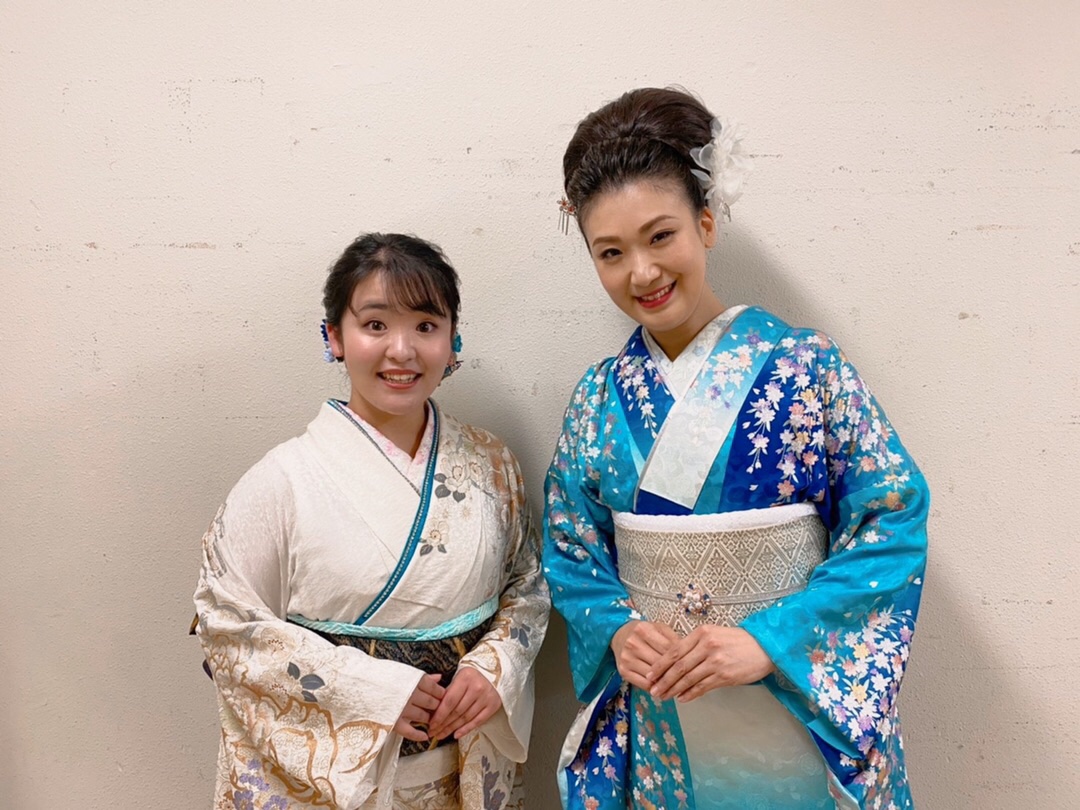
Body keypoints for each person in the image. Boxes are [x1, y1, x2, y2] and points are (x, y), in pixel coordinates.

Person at [543, 88, 929, 809]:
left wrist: (773, 642)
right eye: (612, 253)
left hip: (792, 704)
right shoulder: (597, 398)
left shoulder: (807, 368)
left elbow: (891, 518)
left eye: (661, 236)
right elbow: (571, 548)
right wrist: (618, 632)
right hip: (661, 711)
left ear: (707, 221)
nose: (642, 273)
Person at [192, 233, 549, 810]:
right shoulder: (280, 482)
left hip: (464, 766)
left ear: (453, 341)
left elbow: (526, 583)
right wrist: (371, 693)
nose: (401, 351)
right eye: (376, 325)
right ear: (334, 336)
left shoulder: (491, 464)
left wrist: (495, 668)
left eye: (426, 326)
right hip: (340, 787)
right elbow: (224, 625)